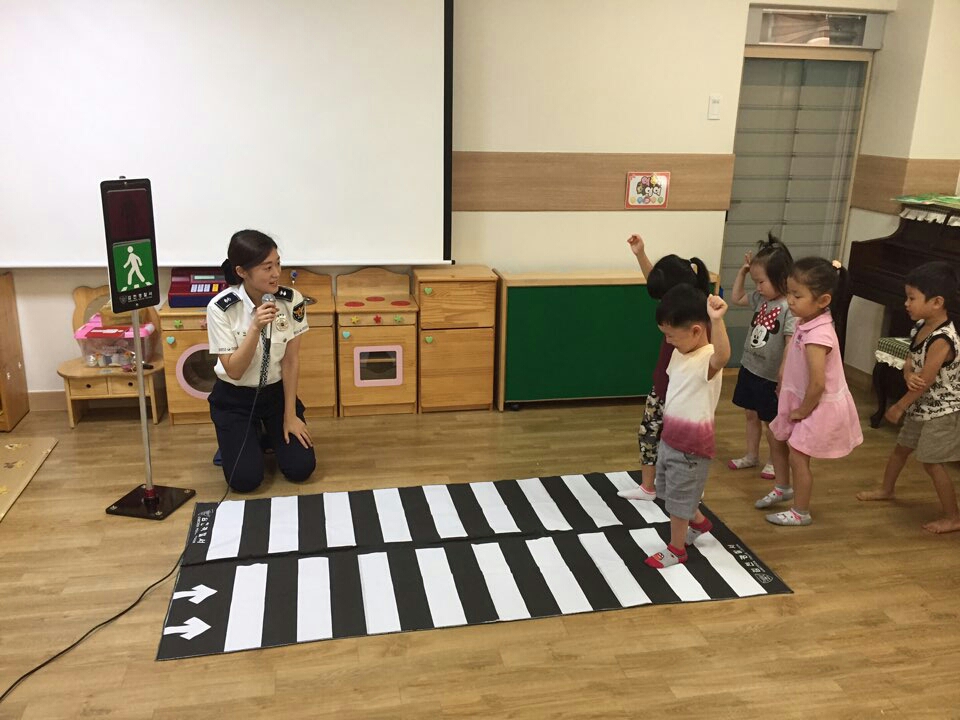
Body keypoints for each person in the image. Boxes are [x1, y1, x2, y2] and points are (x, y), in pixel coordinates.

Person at [205, 229, 316, 492]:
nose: (276, 273)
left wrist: (290, 415)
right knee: (245, 481)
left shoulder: (292, 300)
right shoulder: (220, 308)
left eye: (278, 264)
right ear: (242, 271)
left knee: (301, 468)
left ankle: (266, 434)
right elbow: (234, 371)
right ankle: (245, 436)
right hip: (235, 399)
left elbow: (291, 361)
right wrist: (255, 327)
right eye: (267, 267)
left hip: (275, 395)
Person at [857, 261, 960, 533]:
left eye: (912, 298)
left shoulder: (943, 338)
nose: (906, 303)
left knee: (931, 462)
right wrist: (907, 374)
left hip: (942, 411)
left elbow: (926, 380)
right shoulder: (920, 327)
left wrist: (899, 406)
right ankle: (886, 489)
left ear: (937, 302)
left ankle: (953, 516)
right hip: (921, 405)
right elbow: (910, 362)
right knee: (901, 448)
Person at [761, 257, 862, 525]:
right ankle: (783, 487)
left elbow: (818, 384)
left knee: (798, 455)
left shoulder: (819, 335)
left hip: (815, 405)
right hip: (798, 396)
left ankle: (800, 511)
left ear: (823, 300)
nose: (790, 301)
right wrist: (784, 377)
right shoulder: (806, 322)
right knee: (774, 435)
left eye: (797, 295)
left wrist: (802, 411)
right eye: (789, 293)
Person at [619, 234, 712, 504]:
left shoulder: (699, 316)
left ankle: (690, 488)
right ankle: (649, 486)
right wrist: (640, 254)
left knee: (681, 443)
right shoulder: (677, 305)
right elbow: (656, 283)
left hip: (684, 393)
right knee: (649, 434)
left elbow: (715, 358)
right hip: (662, 386)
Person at [643, 285, 731, 568]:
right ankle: (700, 522)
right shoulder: (680, 352)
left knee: (679, 502)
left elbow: (723, 356)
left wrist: (717, 320)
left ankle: (677, 549)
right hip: (671, 439)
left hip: (692, 448)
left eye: (671, 335)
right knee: (670, 492)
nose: (667, 341)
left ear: (695, 331)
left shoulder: (707, 357)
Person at [728, 234, 795, 484]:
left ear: (782, 278)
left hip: (770, 376)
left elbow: (790, 343)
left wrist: (783, 373)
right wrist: (742, 272)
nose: (757, 287)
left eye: (761, 281)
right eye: (755, 282)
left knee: (772, 422)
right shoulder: (761, 299)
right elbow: (736, 298)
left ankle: (773, 461)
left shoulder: (789, 307)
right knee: (751, 414)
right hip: (750, 367)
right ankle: (751, 455)